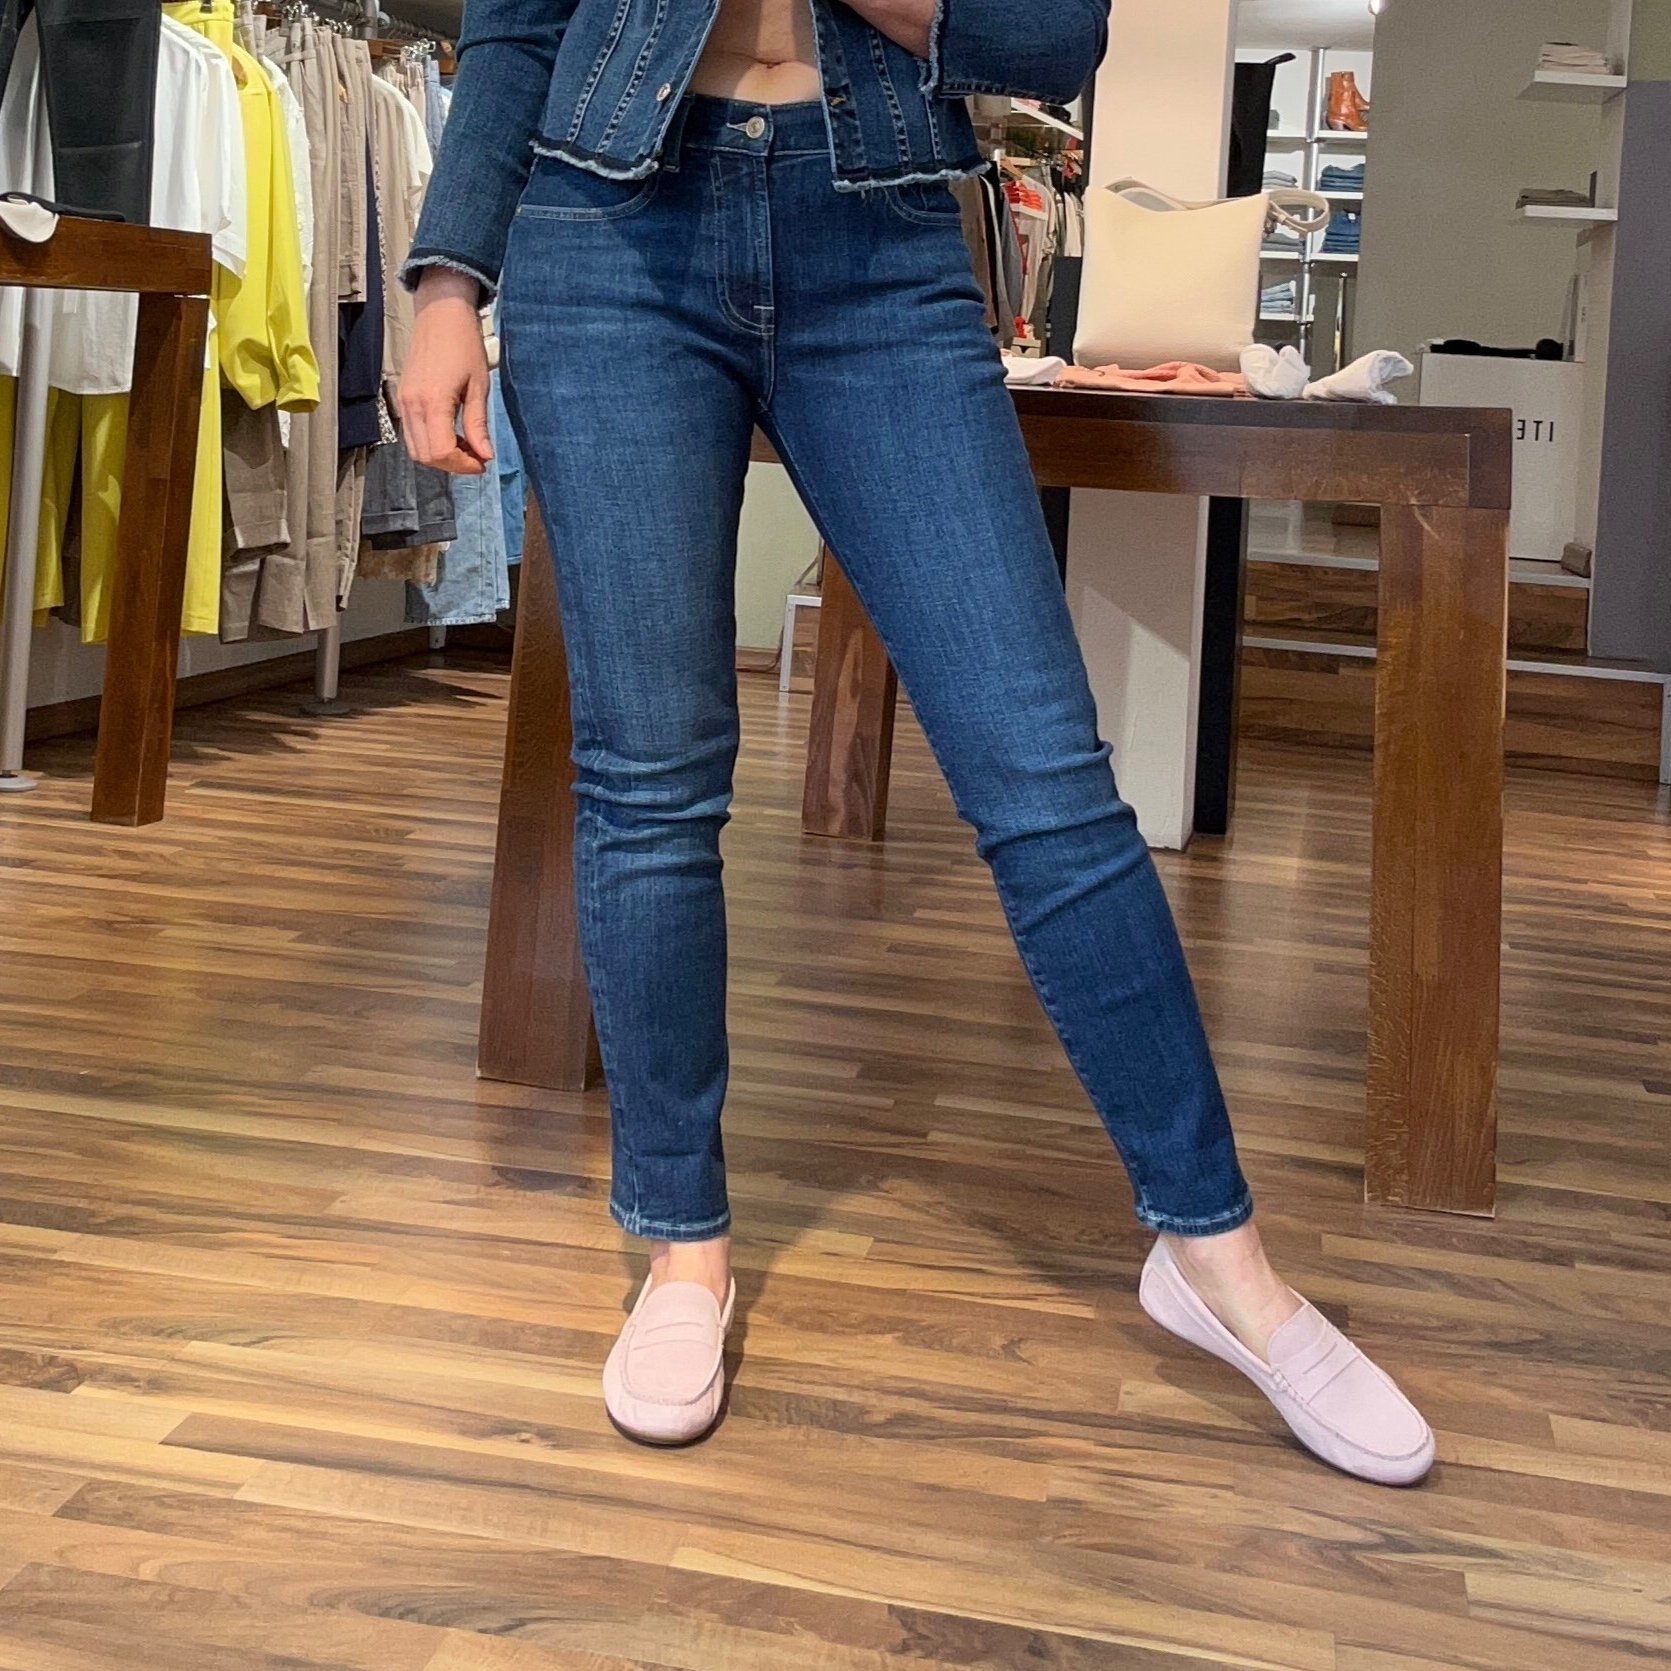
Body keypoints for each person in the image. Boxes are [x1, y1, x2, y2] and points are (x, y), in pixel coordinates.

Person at [397, 0, 1435, 1485]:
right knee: (649, 778)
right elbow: (519, 23)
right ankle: (682, 1245)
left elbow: (1052, 37)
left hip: (877, 235)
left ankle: (1220, 1259)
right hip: (609, 231)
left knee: (1045, 777)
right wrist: (448, 279)